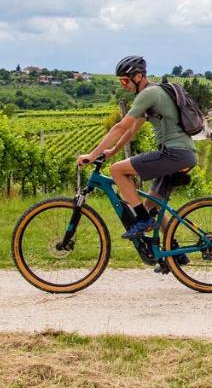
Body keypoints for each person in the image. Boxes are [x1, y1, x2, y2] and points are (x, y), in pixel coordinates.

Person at [77, 55, 197, 267]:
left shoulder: (149, 93)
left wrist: (93, 155)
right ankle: (175, 253)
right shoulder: (154, 94)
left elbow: (120, 126)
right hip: (182, 154)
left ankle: (142, 220)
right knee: (152, 206)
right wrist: (113, 150)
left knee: (117, 171)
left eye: (125, 80)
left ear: (138, 76)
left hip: (173, 154)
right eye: (121, 82)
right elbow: (133, 128)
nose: (124, 85)